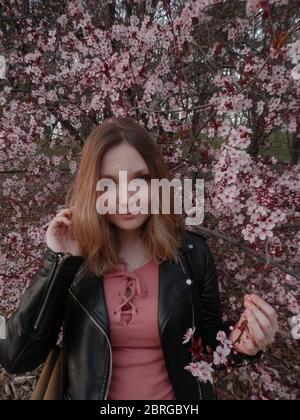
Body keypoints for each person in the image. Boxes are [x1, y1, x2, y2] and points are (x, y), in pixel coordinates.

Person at [0, 116, 279, 400]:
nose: (126, 197)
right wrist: (58, 260)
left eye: (140, 180)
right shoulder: (76, 259)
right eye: (107, 184)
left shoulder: (191, 254)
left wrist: (240, 343)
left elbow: (207, 347)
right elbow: (16, 357)